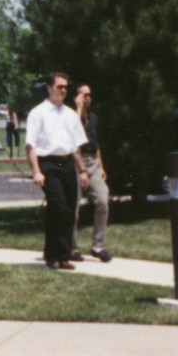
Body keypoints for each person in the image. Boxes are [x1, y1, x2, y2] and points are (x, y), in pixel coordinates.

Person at [26, 72, 89, 270]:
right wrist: (36, 171)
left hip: (67, 163)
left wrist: (83, 171)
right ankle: (51, 255)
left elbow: (76, 147)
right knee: (58, 206)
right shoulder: (38, 113)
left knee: (69, 210)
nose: (63, 90)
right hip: (49, 164)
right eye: (59, 86)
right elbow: (31, 146)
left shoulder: (70, 114)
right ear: (49, 88)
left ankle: (63, 256)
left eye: (65, 87)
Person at [71, 84, 112, 262]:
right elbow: (71, 132)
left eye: (89, 95)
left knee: (103, 199)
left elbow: (96, 144)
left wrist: (101, 166)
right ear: (76, 98)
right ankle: (71, 247)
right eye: (84, 95)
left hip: (92, 162)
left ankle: (97, 246)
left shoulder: (93, 118)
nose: (88, 98)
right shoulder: (71, 116)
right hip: (74, 162)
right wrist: (78, 109)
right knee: (73, 207)